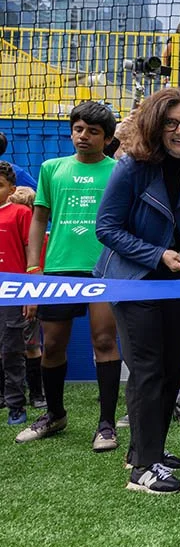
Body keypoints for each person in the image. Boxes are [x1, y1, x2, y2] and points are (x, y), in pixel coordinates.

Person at [94, 87, 180, 494]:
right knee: (147, 370)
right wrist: (156, 254)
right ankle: (143, 470)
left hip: (177, 280)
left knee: (170, 367)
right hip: (134, 279)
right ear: (154, 126)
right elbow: (106, 228)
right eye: (171, 123)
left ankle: (149, 449)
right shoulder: (131, 166)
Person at [16, 102, 122, 452]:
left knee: (104, 342)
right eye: (78, 129)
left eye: (93, 131)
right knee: (52, 346)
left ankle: (106, 425)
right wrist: (34, 270)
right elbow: (39, 219)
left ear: (107, 138)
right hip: (58, 269)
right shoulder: (52, 168)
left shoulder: (119, 171)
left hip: (104, 268)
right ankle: (55, 414)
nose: (83, 136)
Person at [0, 161, 32, 426]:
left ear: (11, 189)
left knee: (12, 350)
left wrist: (31, 294)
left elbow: (32, 253)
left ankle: (16, 405)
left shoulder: (21, 213)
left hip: (13, 295)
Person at [8, 186, 45, 409]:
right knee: (13, 346)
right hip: (13, 295)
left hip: (27, 295)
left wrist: (32, 295)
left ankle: (36, 393)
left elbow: (38, 266)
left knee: (31, 344)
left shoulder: (39, 240)